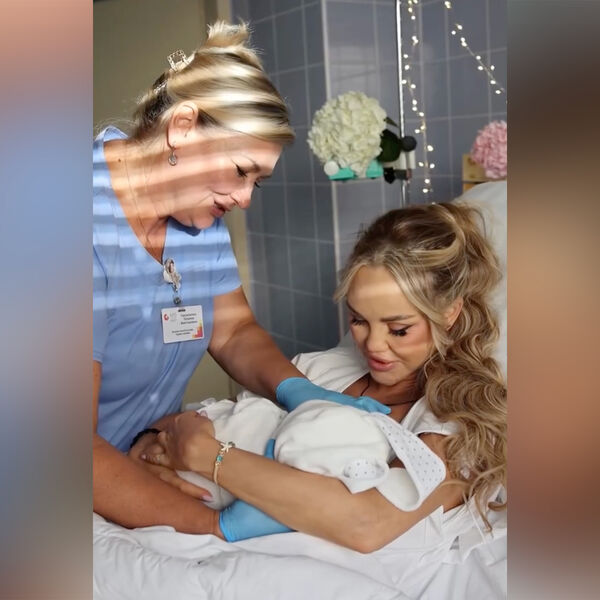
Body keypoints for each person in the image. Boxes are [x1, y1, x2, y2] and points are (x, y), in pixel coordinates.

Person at [93, 21, 388, 533]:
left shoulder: (196, 215)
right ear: (183, 127)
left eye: (257, 181)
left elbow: (232, 330)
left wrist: (298, 391)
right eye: (239, 170)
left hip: (134, 459)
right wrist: (216, 527)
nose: (245, 198)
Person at [138, 202, 507, 552]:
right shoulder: (318, 370)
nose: (373, 345)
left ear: (449, 313)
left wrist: (208, 457)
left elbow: (367, 523)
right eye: (359, 320)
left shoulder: (455, 419)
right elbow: (208, 423)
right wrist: (153, 446)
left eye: (398, 329)